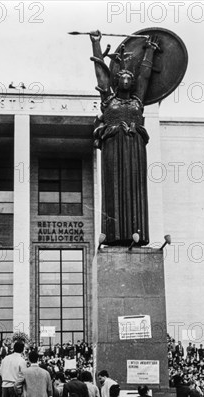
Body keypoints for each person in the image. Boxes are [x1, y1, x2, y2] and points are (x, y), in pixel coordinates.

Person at [90, 30, 160, 245]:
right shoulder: (108, 101)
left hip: (134, 148)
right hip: (113, 147)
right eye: (123, 78)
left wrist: (149, 51)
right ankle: (113, 235)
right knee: (113, 188)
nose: (127, 80)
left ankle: (137, 235)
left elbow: (145, 76)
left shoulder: (138, 102)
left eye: (130, 78)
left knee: (135, 190)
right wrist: (96, 45)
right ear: (117, 81)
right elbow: (101, 74)